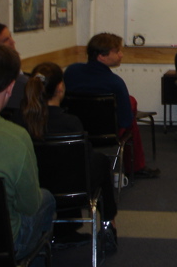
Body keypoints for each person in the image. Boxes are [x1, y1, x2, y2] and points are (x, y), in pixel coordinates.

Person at [0, 43, 56, 264]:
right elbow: (29, 205)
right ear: (10, 87)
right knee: (46, 199)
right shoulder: (16, 137)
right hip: (3, 242)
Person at [20, 62, 118, 251]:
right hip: (71, 191)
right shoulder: (70, 123)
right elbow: (85, 161)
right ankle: (108, 224)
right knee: (100, 161)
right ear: (60, 88)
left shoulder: (20, 121)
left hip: (34, 186)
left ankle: (64, 231)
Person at [64, 33, 159, 178]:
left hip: (74, 128)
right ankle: (136, 167)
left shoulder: (71, 71)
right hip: (107, 133)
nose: (121, 54)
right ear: (102, 56)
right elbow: (125, 121)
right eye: (117, 51)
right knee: (131, 109)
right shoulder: (115, 83)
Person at [0, 23, 29, 115]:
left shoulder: (16, 71)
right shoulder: (5, 79)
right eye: (6, 40)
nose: (13, 42)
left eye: (10, 36)